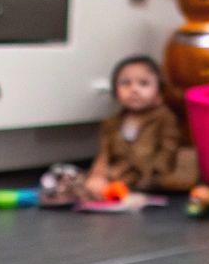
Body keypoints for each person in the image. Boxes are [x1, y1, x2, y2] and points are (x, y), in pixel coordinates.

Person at [84, 56, 201, 199]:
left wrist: (153, 174)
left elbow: (168, 150)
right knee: (88, 184)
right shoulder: (113, 123)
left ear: (159, 92)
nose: (134, 89)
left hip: (150, 173)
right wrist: (98, 175)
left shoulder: (164, 118)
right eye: (126, 83)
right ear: (115, 91)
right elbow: (105, 154)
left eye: (143, 83)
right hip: (121, 171)